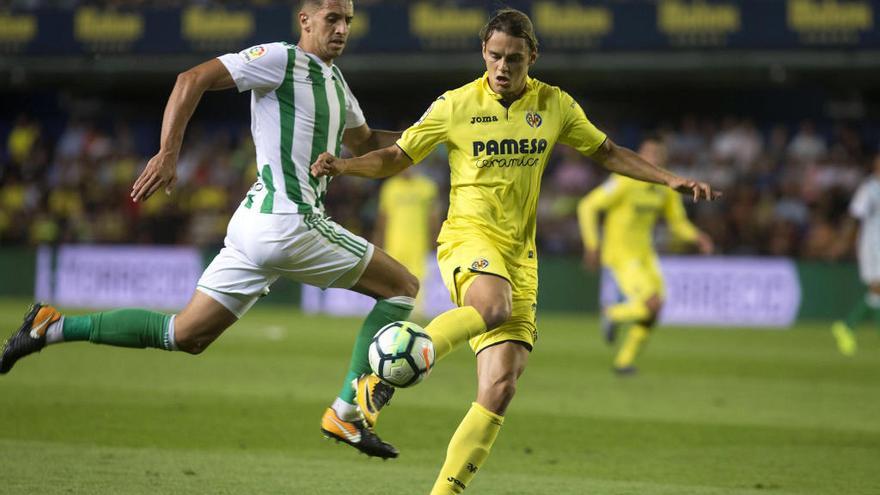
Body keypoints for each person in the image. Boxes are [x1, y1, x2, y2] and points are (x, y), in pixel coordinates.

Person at [310, 9, 720, 493]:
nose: (503, 67)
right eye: (495, 56)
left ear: (533, 57)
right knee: (491, 306)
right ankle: (385, 372)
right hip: (467, 235)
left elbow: (608, 152)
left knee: (500, 386)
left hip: (520, 257)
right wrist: (346, 166)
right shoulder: (455, 105)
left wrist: (669, 178)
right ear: (483, 52)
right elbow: (396, 157)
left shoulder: (555, 105)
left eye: (514, 59)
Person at [1, 0, 415, 460]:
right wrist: (167, 152)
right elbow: (191, 79)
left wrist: (435, 131)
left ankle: (51, 327)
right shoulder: (281, 59)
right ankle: (346, 413)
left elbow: (367, 143)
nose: (342, 29)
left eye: (348, 22)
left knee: (185, 335)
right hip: (289, 220)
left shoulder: (336, 84)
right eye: (332, 19)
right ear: (306, 20)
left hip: (257, 224)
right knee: (401, 287)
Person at [577, 134, 714, 374]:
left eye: (658, 155)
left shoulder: (666, 187)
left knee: (656, 309)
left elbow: (677, 223)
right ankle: (613, 313)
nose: (653, 158)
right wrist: (592, 244)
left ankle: (624, 362)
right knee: (651, 303)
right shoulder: (624, 181)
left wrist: (697, 237)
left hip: (645, 254)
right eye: (648, 153)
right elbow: (587, 206)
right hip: (621, 253)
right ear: (639, 156)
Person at [373, 166, 441, 317]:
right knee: (392, 277)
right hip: (394, 242)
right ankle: (392, 310)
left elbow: (433, 216)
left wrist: (434, 239)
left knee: (417, 278)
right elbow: (383, 217)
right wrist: (378, 240)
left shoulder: (427, 187)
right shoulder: (390, 187)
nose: (406, 170)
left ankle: (415, 312)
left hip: (418, 242)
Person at [831, 153, 880, 356]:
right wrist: (843, 241)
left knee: (877, 291)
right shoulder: (869, 189)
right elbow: (854, 216)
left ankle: (847, 326)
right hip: (872, 245)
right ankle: (847, 325)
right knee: (877, 287)